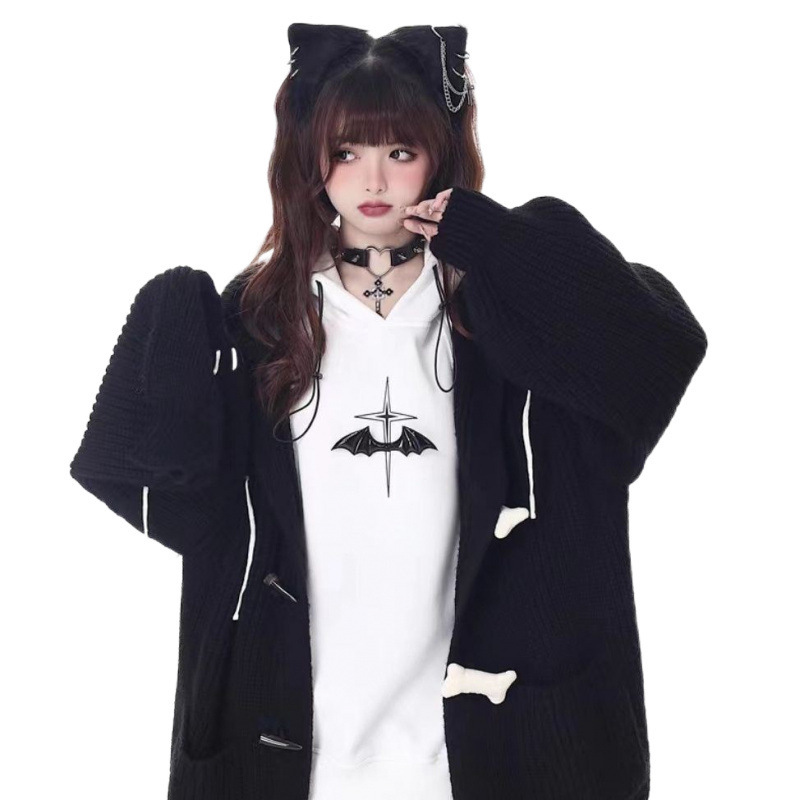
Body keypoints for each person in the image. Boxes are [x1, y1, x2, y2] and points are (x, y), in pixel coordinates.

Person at [69, 23, 708, 800]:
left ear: (439, 155)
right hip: (296, 759)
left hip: (488, 758)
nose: (373, 178)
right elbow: (163, 498)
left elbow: (660, 353)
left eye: (400, 151)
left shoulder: (507, 312)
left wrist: (492, 243)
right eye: (346, 151)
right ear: (310, 157)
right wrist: (166, 357)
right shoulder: (255, 322)